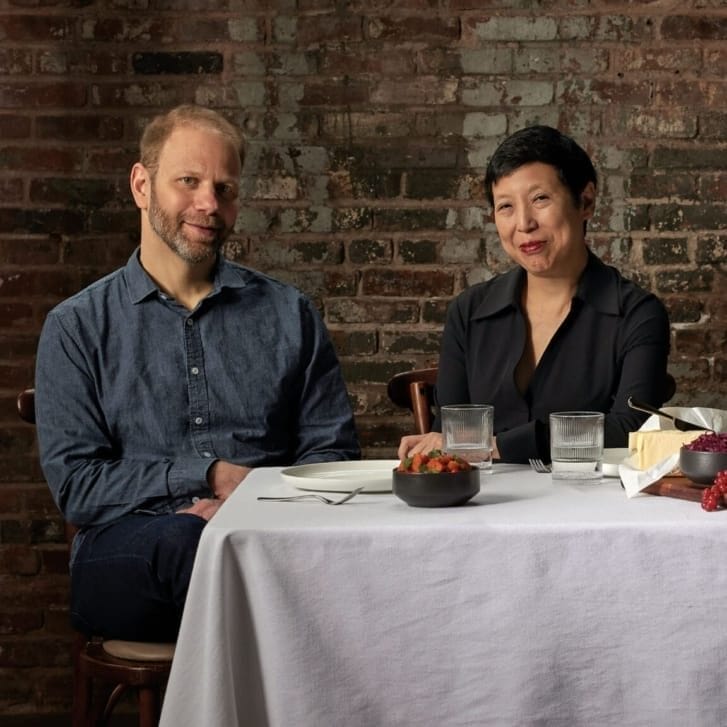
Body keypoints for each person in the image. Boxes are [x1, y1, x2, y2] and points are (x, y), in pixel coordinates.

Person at [35, 105, 360, 641]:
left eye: (225, 189)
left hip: (267, 536)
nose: (209, 204)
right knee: (193, 546)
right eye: (188, 181)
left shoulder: (289, 313)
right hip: (128, 553)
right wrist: (207, 476)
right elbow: (79, 487)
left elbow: (332, 455)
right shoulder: (77, 327)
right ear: (141, 185)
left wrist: (254, 505)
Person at [398, 125, 670, 464]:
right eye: (506, 207)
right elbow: (451, 433)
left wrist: (498, 446)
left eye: (540, 199)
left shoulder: (638, 314)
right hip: (484, 506)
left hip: (591, 504)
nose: (524, 223)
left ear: (585, 201)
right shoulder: (469, 311)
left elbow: (631, 429)